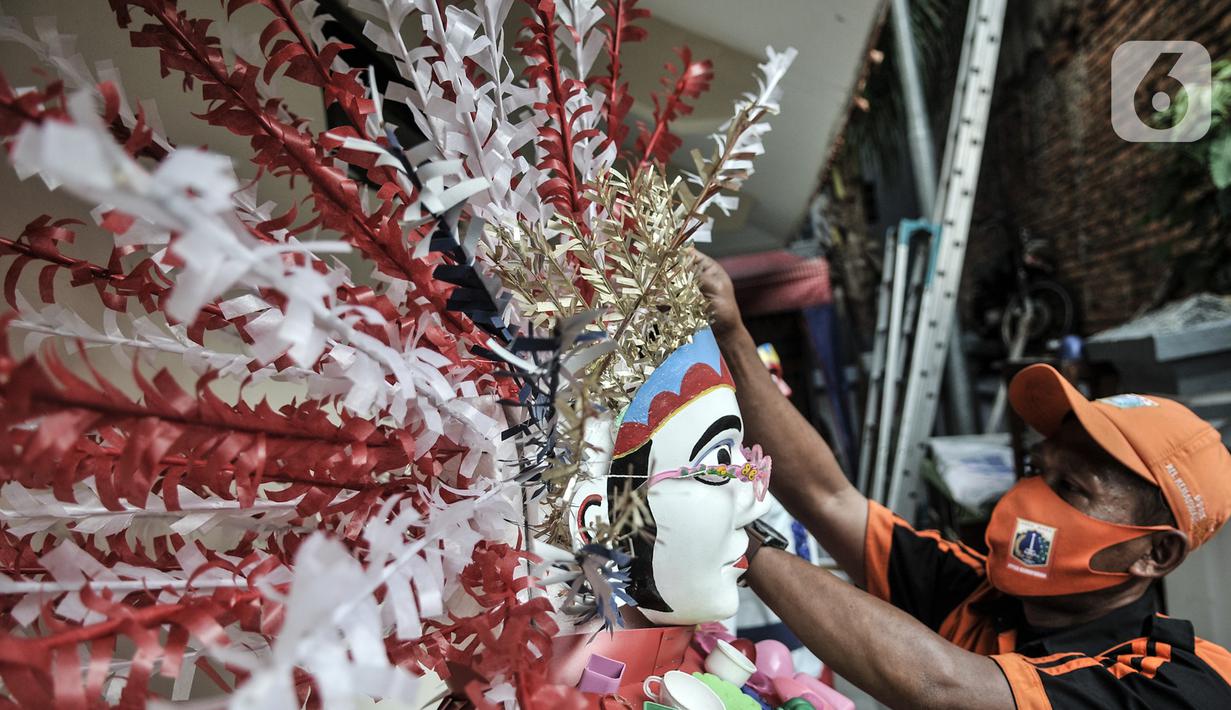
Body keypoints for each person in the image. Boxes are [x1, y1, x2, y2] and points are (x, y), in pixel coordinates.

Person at [694, 251, 1231, 709]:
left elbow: (942, 686)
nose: (1029, 497)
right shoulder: (978, 593)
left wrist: (724, 538)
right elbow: (829, 498)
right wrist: (732, 336)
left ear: (1155, 554)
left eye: (1071, 489)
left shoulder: (1180, 685)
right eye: (1036, 469)